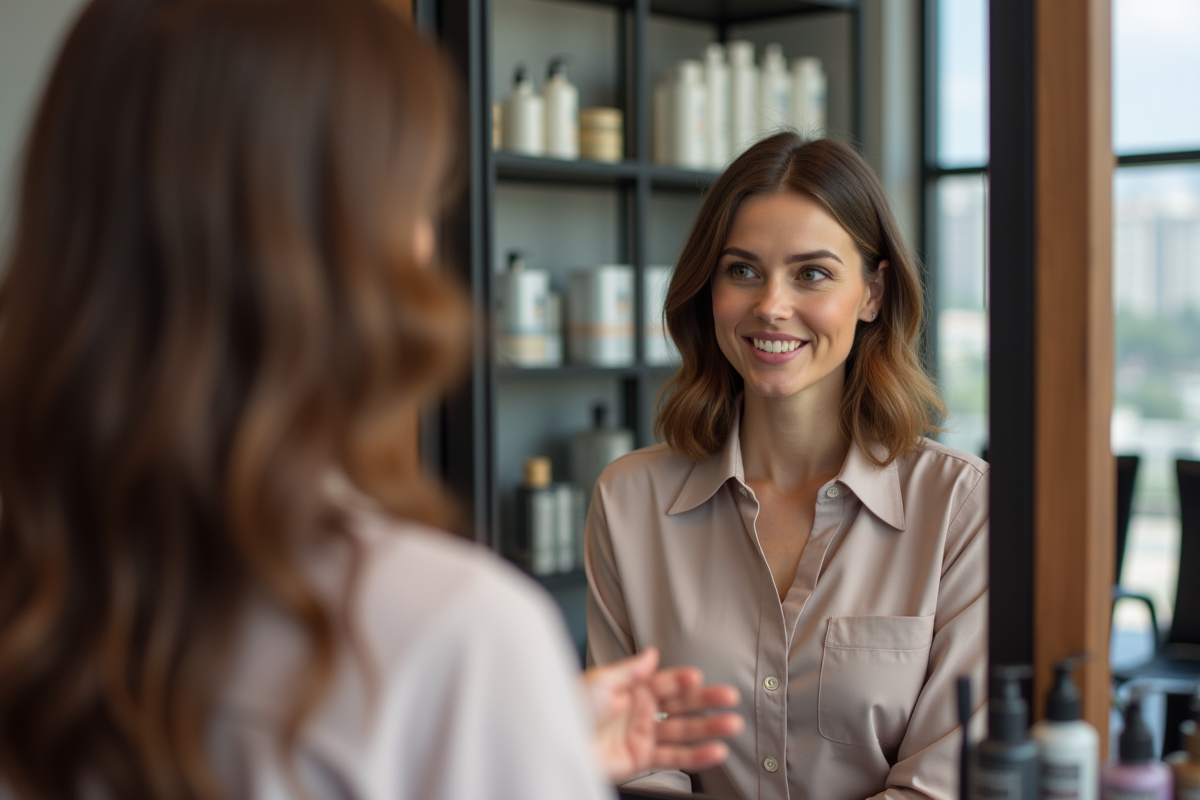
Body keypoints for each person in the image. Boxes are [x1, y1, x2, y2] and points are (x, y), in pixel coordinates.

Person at [0, 1, 743, 799]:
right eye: (415, 206)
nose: (427, 245)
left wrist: (517, 736)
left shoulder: (45, 592)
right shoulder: (454, 632)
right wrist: (497, 732)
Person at [585, 133, 989, 800]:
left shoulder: (960, 506)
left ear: (873, 293)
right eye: (742, 271)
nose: (771, 305)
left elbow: (941, 784)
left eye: (812, 274)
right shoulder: (629, 499)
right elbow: (637, 766)